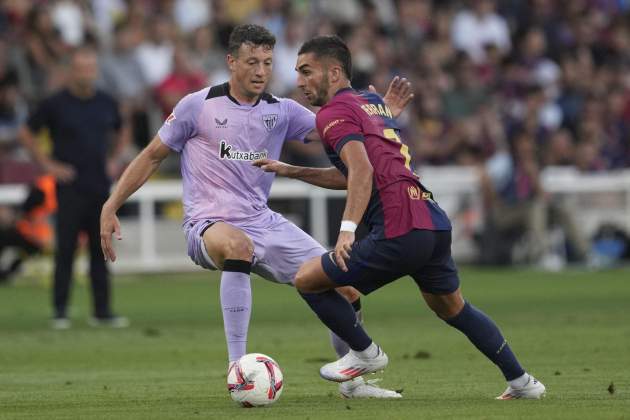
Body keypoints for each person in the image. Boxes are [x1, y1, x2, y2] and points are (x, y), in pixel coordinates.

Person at [100, 24, 412, 399]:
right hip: (208, 223)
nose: (261, 70)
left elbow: (342, 129)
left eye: (267, 62)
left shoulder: (282, 111)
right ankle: (238, 369)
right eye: (252, 61)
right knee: (237, 246)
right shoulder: (197, 106)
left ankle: (353, 382)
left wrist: (383, 116)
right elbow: (152, 155)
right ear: (231, 62)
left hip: (263, 221)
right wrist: (111, 204)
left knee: (344, 285)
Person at [254, 35, 546, 400]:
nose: (299, 81)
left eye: (306, 71)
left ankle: (365, 353)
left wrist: (346, 232)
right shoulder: (370, 102)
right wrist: (291, 170)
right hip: (431, 221)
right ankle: (522, 382)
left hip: (399, 226)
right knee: (453, 307)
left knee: (308, 278)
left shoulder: (332, 114)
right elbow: (358, 170)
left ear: (334, 71)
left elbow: (361, 170)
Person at [19, 47, 130, 329]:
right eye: (81, 67)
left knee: (100, 250)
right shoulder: (55, 104)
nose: (86, 73)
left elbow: (123, 127)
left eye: (91, 67)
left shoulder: (106, 102)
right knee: (65, 250)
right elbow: (26, 132)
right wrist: (48, 165)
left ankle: (102, 312)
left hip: (99, 187)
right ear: (71, 70)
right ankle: (60, 311)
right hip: (68, 188)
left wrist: (115, 159)